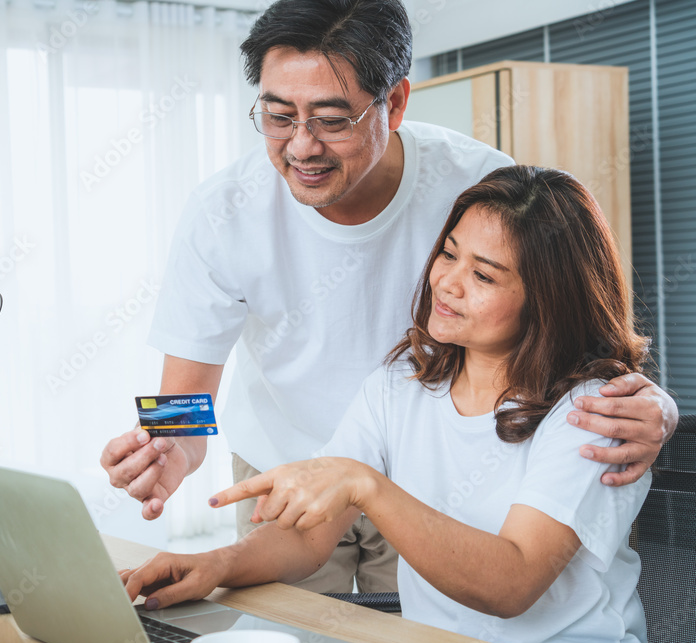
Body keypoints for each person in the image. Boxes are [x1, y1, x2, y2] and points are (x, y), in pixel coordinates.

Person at [100, 0, 677, 595]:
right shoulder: (223, 211)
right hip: (288, 462)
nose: (301, 147)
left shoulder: (476, 187)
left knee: (420, 628)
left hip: (434, 467)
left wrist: (654, 403)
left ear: (395, 102)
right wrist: (171, 446)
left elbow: (568, 319)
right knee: (292, 632)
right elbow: (186, 393)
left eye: (331, 118)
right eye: (278, 116)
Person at [122, 166, 654, 643]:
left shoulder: (596, 413)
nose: (445, 283)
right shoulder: (223, 207)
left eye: (484, 276)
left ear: (389, 104)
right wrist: (183, 467)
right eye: (446, 254)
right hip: (286, 449)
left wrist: (365, 485)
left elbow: (509, 585)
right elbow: (190, 372)